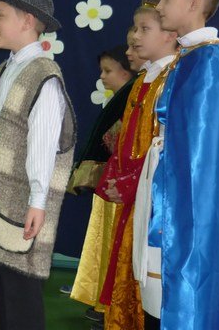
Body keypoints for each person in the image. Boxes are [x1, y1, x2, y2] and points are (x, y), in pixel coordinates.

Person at [133, 0, 219, 329]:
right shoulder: (190, 56)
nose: (159, 5)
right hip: (169, 195)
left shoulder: (211, 60)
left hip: (184, 210)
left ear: (193, 2)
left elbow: (200, 157)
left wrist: (172, 222)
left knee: (177, 304)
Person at [0, 0, 76, 330]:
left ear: (27, 20)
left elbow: (43, 145)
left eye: (0, 15)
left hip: (22, 208)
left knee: (20, 302)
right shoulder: (1, 72)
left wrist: (38, 201)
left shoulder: (45, 76)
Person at [96, 0, 178, 330]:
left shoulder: (173, 80)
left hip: (155, 203)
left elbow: (167, 146)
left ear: (170, 34)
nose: (135, 36)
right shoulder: (144, 79)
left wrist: (132, 183)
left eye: (145, 28)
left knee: (151, 284)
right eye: (135, 27)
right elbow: (127, 138)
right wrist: (114, 178)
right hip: (133, 198)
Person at [70, 43, 139, 329]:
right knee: (105, 242)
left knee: (115, 245)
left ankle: (111, 305)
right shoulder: (125, 97)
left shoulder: (134, 95)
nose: (102, 76)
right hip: (113, 181)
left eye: (108, 71)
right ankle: (102, 299)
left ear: (125, 71)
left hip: (123, 185)